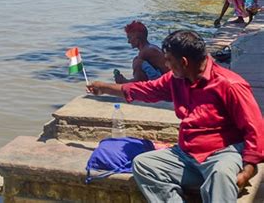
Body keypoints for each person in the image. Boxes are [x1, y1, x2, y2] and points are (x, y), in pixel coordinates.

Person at [86, 30, 263, 202]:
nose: (167, 66)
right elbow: (147, 90)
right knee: (143, 165)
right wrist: (104, 88)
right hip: (186, 154)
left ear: (184, 62)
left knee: (221, 174)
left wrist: (248, 169)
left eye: (169, 60)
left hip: (222, 153)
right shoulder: (175, 79)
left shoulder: (230, 84)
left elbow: (255, 128)